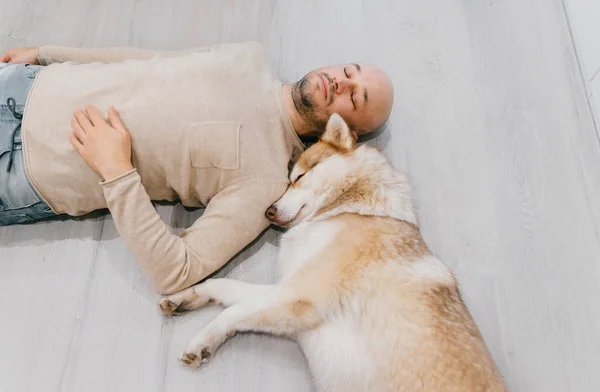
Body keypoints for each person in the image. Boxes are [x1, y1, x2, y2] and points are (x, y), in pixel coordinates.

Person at [0, 42, 394, 294]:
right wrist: (47, 54)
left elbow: (176, 271)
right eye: (348, 70)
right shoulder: (250, 57)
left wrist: (117, 171)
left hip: (25, 168)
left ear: (350, 135)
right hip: (27, 84)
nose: (340, 82)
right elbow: (146, 62)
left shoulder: (266, 181)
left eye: (355, 97)